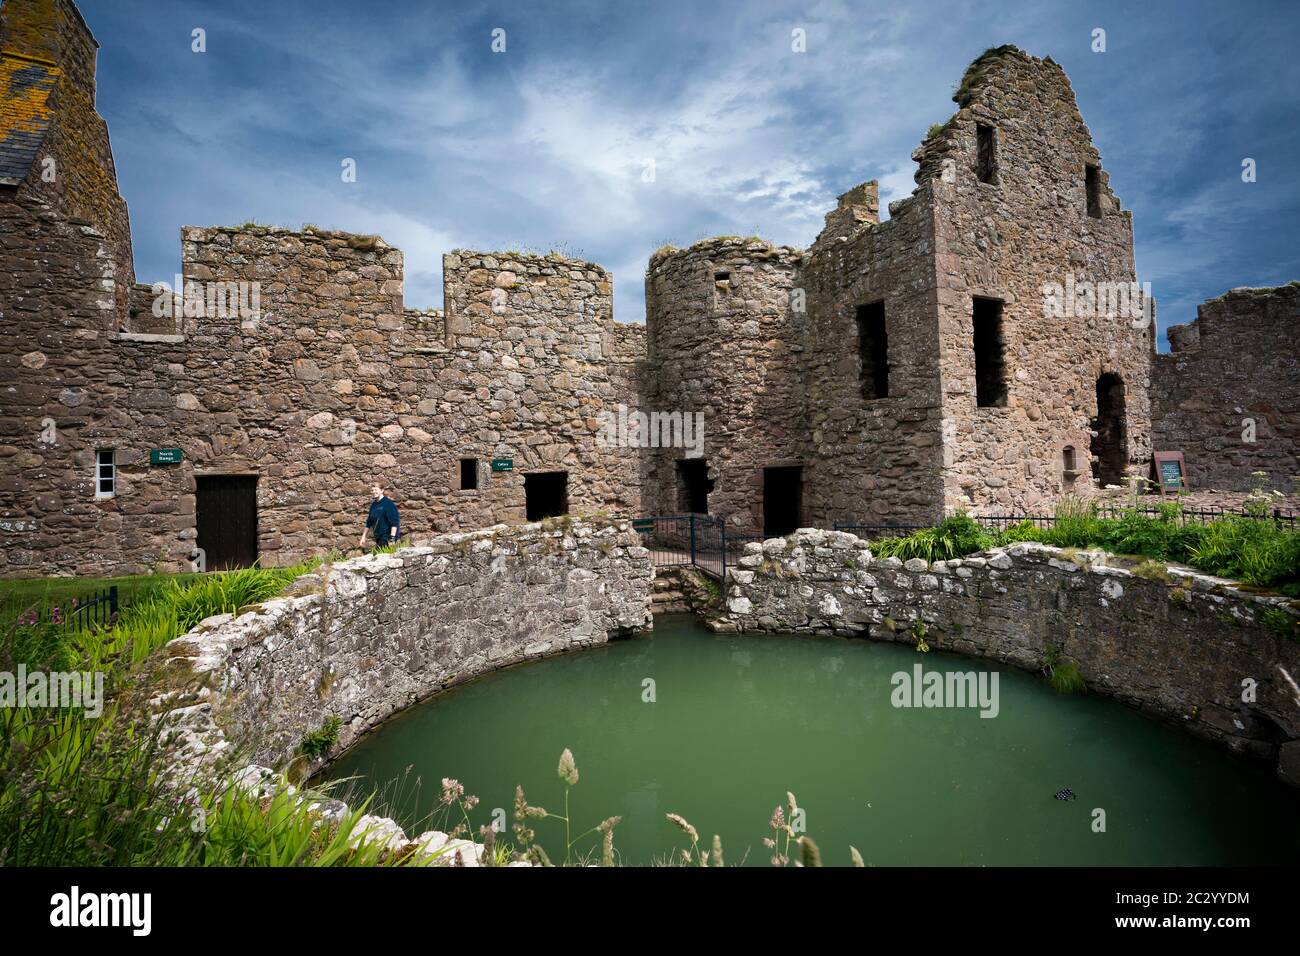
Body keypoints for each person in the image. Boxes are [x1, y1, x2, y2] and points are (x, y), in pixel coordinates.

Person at [360, 483, 401, 550]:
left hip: (387, 538)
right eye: (372, 490)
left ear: (382, 490)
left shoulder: (388, 504)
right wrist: (363, 537)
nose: (374, 492)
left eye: (376, 490)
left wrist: (392, 539)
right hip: (378, 537)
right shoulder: (374, 505)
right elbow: (369, 522)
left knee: (376, 555)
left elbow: (394, 522)